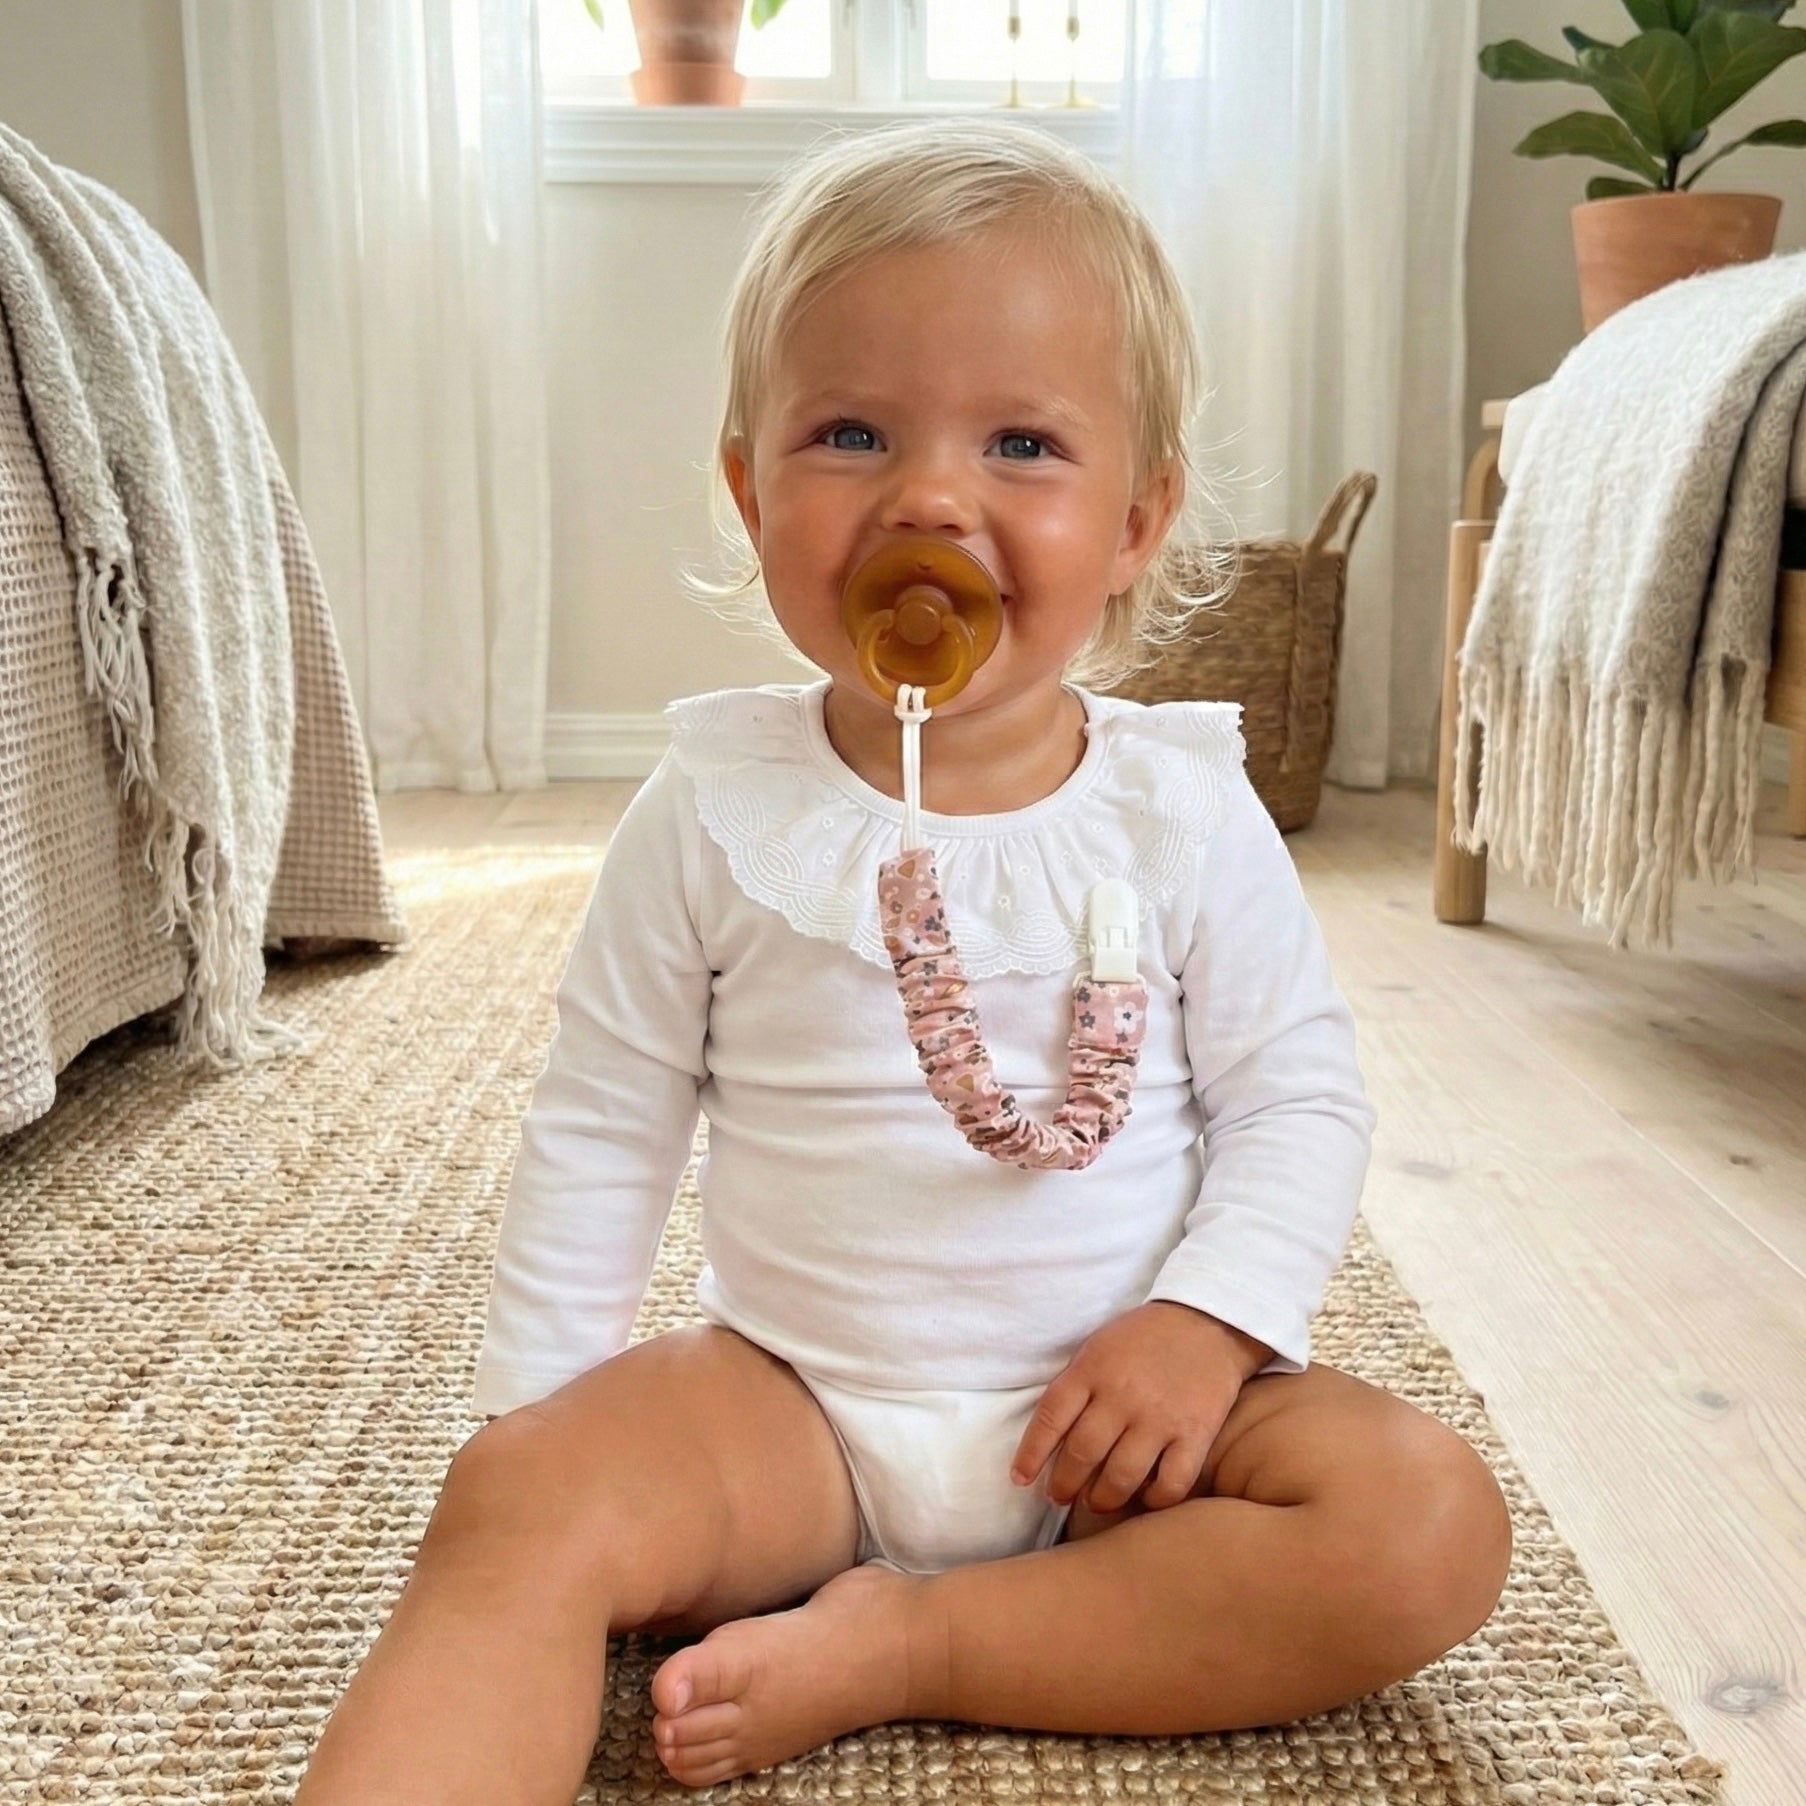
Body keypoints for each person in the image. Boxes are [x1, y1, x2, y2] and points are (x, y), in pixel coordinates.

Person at [293, 119, 1511, 1806]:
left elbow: (1296, 1096)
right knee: (513, 1507)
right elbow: (604, 1122)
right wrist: (546, 1427)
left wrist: (1207, 1322)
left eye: (1021, 443)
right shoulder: (717, 806)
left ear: (1138, 519)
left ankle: (920, 1643)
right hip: (791, 1411)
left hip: (1115, 1434)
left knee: (1424, 1521)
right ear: (752, 492)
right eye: (851, 433)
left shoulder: (1178, 805)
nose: (930, 497)